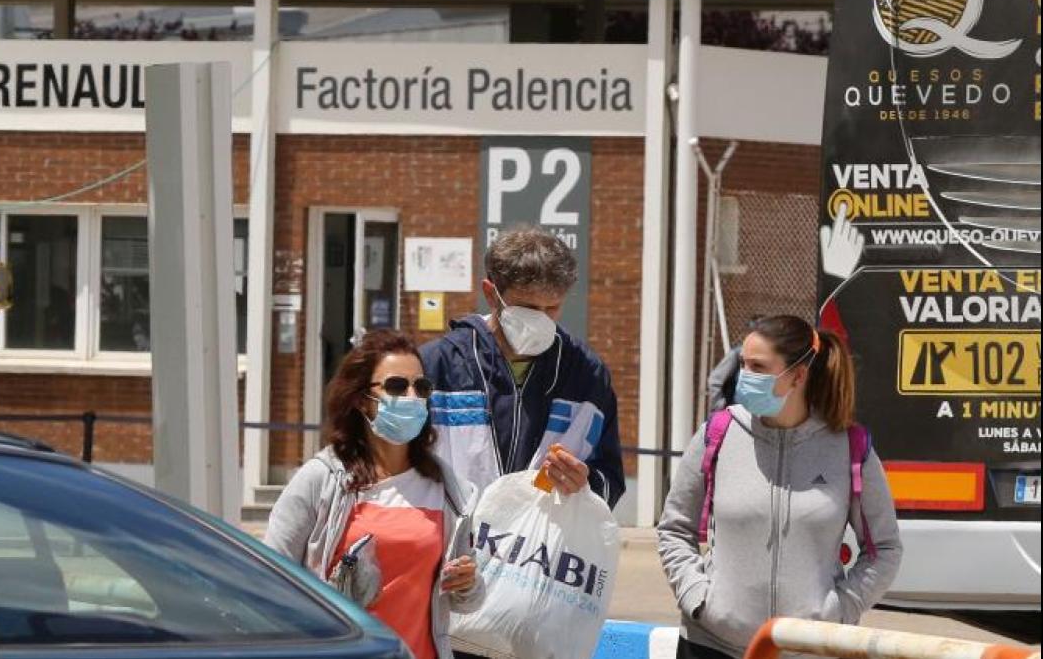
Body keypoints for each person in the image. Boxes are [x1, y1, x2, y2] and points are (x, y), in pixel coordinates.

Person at [657, 315, 902, 659]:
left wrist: (841, 610)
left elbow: (885, 548)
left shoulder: (849, 446)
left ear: (797, 376)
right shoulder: (719, 432)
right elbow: (673, 528)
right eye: (743, 365)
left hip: (812, 649)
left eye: (758, 367)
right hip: (712, 645)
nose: (744, 377)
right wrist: (698, 598)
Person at [264, 329, 482, 659]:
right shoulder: (323, 479)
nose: (411, 396)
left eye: (420, 387)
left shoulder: (448, 489)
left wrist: (467, 583)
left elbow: (469, 600)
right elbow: (270, 576)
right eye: (396, 386)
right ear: (361, 398)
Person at [420, 224, 626, 506]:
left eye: (552, 307)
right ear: (491, 294)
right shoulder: (438, 365)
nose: (540, 318)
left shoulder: (586, 373)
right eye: (527, 307)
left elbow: (610, 478)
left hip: (540, 545)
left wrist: (584, 483)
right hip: (455, 545)